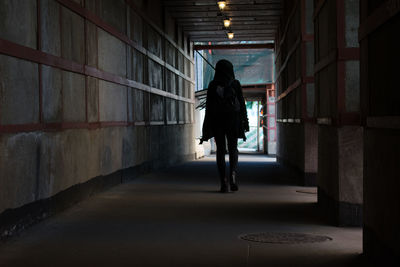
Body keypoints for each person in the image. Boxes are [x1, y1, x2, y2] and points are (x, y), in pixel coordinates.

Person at [200, 59, 249, 193]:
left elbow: (209, 108)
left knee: (221, 151)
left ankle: (223, 182)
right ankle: (233, 176)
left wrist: (206, 127)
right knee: (233, 149)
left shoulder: (212, 85)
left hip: (218, 121)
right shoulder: (235, 84)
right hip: (233, 120)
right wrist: (245, 122)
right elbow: (242, 104)